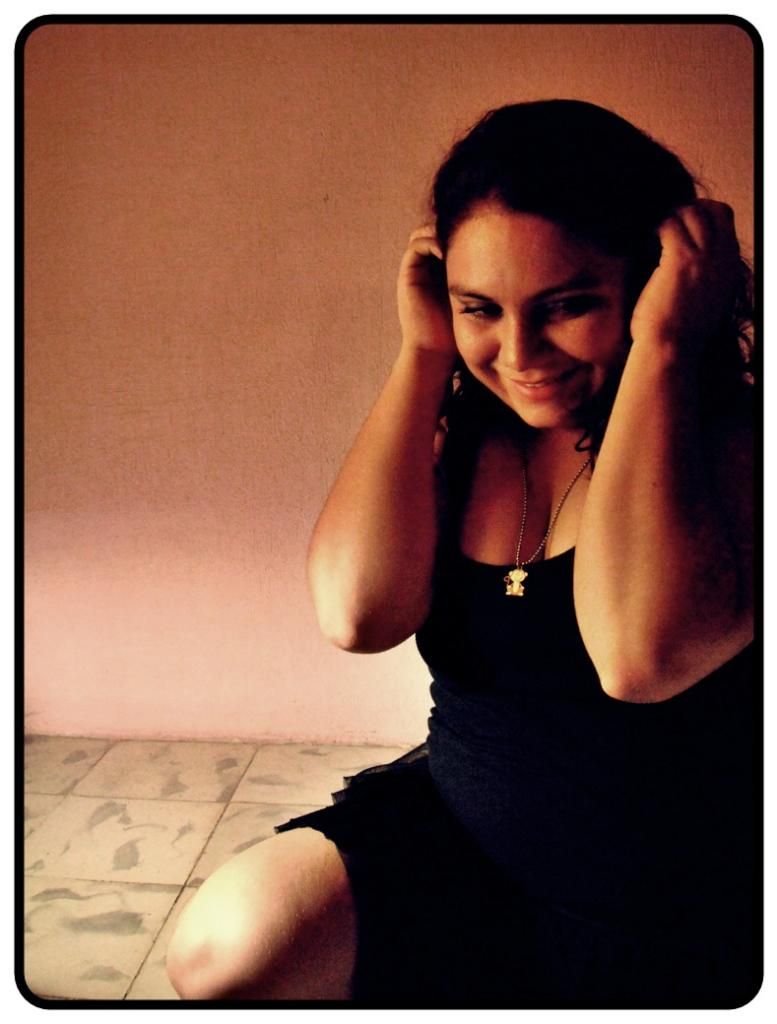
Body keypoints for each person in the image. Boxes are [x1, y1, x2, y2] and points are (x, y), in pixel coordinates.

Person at [165, 99, 757, 1007]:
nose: (519, 353)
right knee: (224, 950)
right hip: (466, 842)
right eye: (480, 307)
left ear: (650, 284)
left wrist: (666, 348)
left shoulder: (733, 447)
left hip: (668, 900)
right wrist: (421, 353)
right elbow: (356, 614)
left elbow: (642, 656)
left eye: (568, 305)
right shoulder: (471, 440)